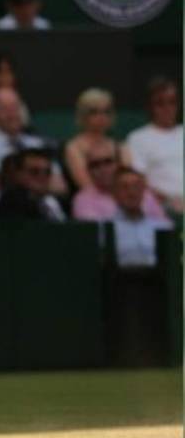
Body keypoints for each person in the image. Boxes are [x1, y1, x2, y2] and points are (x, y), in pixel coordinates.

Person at [105, 167, 172, 366]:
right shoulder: (104, 227)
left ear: (144, 191)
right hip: (119, 295)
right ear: (114, 192)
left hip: (160, 292)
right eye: (124, 187)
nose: (131, 192)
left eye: (136, 186)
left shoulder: (163, 226)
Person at [0, 87, 65, 194]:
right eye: (4, 108)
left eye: (15, 107)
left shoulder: (37, 143)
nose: (12, 114)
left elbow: (60, 185)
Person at [126, 76, 183, 214]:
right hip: (162, 208)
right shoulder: (138, 138)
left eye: (172, 102)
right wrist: (168, 200)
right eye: (160, 103)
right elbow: (138, 181)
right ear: (150, 107)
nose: (167, 108)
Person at [72, 139, 165, 222]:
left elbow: (164, 227)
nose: (102, 169)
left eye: (108, 162)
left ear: (119, 164)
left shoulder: (143, 193)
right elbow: (96, 236)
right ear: (89, 171)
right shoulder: (83, 200)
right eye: (95, 165)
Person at [64, 88, 132, 191]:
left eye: (106, 112)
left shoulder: (120, 146)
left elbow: (129, 180)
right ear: (83, 115)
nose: (101, 117)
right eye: (94, 112)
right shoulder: (74, 147)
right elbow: (85, 185)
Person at [0, 148, 67, 222]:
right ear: (18, 174)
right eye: (34, 172)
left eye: (47, 172)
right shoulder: (11, 204)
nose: (42, 177)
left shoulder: (45, 202)